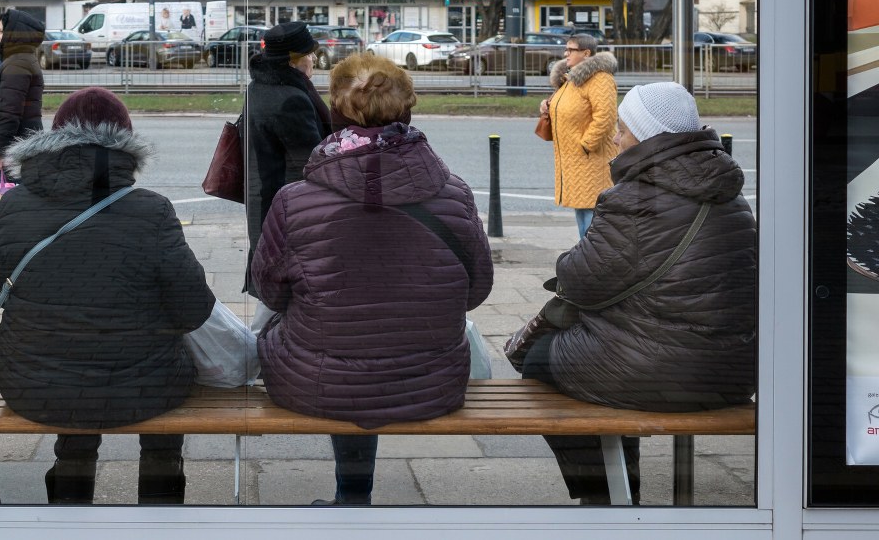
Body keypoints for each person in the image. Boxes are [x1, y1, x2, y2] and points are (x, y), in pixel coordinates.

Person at [251, 53, 494, 505]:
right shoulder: (455, 193)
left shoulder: (293, 200)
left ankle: (352, 497)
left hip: (316, 379)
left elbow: (269, 290)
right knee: (356, 345)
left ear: (336, 113)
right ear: (407, 110)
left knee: (336, 345)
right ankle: (354, 496)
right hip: (432, 379)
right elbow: (476, 290)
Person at [523, 82, 757, 505]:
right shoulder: (729, 191)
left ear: (648, 137)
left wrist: (567, 258)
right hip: (732, 373)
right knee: (609, 351)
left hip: (666, 373)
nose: (616, 138)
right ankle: (616, 485)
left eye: (624, 130)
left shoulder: (636, 197)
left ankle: (606, 494)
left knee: (538, 360)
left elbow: (580, 280)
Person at [0, 87, 215, 505]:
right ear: (125, 145)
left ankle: (70, 508)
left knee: (74, 404)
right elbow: (194, 308)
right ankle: (159, 511)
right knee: (163, 412)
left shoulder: (13, 206)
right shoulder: (151, 210)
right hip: (144, 386)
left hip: (34, 385)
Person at [243, 21, 332, 299]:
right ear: (293, 61)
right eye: (309, 54)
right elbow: (314, 161)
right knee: (281, 294)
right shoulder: (291, 99)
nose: (314, 59)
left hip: (264, 200)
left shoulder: (258, 87)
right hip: (288, 209)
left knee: (268, 283)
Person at [539, 34, 618, 237]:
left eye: (571, 50)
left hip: (591, 158)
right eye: (566, 49)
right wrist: (548, 106)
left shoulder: (600, 79)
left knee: (592, 216)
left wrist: (586, 145)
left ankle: (592, 262)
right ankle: (587, 260)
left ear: (586, 53)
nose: (566, 54)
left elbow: (606, 117)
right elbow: (568, 105)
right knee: (582, 211)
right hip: (576, 160)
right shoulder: (572, 79)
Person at [0, 8, 45, 175]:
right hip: (18, 146)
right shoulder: (19, 59)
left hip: (14, 150)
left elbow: (9, 110)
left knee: (4, 197)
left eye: (2, 31)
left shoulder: (18, 63)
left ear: (14, 33)